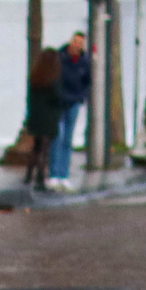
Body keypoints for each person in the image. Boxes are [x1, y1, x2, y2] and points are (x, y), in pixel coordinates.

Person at [50, 32, 90, 191]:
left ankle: (63, 175)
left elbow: (88, 81)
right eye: (75, 42)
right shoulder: (60, 58)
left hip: (74, 102)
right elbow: (54, 78)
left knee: (68, 139)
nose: (77, 46)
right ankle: (54, 174)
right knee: (57, 137)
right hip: (60, 102)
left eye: (80, 43)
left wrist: (81, 96)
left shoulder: (84, 62)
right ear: (71, 42)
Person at [22, 46, 63, 192]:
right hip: (49, 117)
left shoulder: (35, 77)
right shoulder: (53, 80)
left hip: (36, 116)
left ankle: (28, 175)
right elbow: (57, 98)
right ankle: (40, 178)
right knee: (45, 150)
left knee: (36, 147)